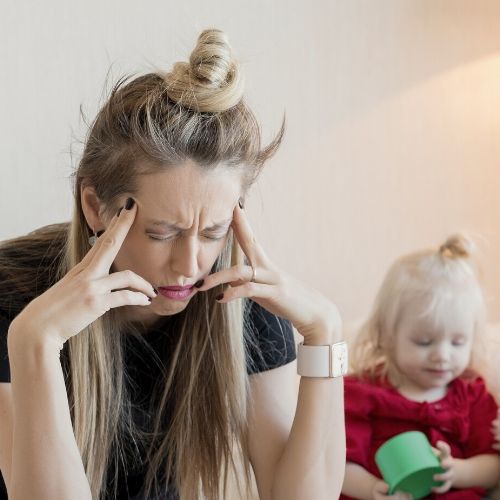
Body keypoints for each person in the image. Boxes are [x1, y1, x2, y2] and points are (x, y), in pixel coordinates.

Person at [0, 29, 345, 500]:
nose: (190, 265)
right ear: (96, 208)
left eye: (212, 232)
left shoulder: (244, 299)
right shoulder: (12, 294)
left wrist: (325, 333)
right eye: (162, 233)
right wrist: (33, 345)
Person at [340, 235, 500, 500]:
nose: (442, 355)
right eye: (424, 342)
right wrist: (371, 489)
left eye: (458, 342)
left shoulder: (472, 395)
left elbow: (493, 465)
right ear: (387, 336)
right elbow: (340, 465)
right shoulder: (361, 394)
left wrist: (457, 471)